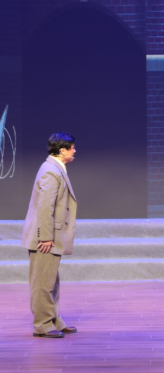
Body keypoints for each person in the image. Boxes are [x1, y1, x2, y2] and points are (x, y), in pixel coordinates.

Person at [21, 132, 78, 338]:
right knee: (43, 283)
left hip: (51, 236)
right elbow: (45, 207)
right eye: (72, 147)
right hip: (44, 238)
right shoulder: (50, 171)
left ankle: (54, 320)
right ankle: (43, 324)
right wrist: (45, 237)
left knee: (51, 281)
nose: (74, 151)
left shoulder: (55, 168)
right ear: (62, 150)